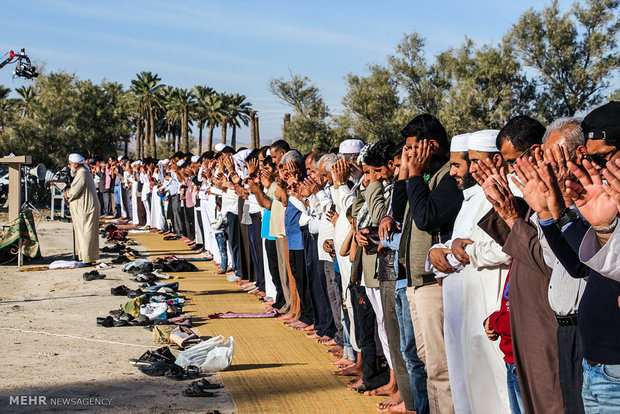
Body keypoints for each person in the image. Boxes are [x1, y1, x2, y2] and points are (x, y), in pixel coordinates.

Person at [65, 153, 100, 265]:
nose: (69, 166)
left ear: (76, 164)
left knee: (86, 234)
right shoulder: (82, 173)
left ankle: (87, 259)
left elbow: (75, 191)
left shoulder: (82, 174)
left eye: (70, 164)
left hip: (86, 210)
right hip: (84, 209)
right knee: (83, 234)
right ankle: (85, 257)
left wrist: (68, 193)